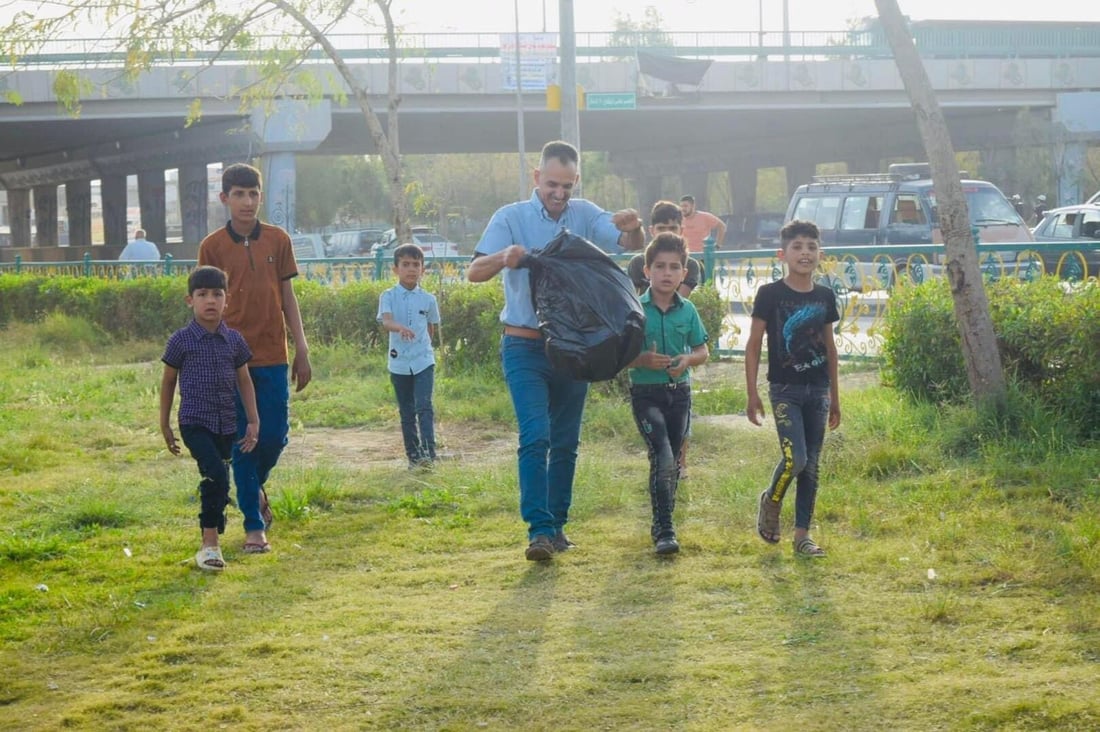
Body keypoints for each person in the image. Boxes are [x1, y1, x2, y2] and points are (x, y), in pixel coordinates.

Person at [467, 139, 645, 561]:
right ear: (537, 177)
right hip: (523, 346)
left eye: (567, 186)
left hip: (574, 350)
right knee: (536, 436)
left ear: (576, 181)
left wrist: (633, 226)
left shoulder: (585, 214)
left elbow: (628, 243)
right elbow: (473, 272)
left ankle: (558, 526)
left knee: (565, 441)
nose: (559, 193)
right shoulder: (509, 218)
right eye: (552, 184)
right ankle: (539, 531)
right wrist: (505, 257)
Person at [197, 162, 312, 555]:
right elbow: (206, 304)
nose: (247, 202)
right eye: (239, 195)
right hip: (229, 360)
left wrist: (302, 348)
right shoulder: (212, 247)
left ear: (261, 197)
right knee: (244, 439)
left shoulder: (278, 240)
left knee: (274, 436)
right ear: (224, 198)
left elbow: (288, 298)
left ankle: (253, 488)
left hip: (273, 355)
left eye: (253, 194)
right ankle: (253, 526)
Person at [745, 219, 841, 558]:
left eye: (811, 247)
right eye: (797, 247)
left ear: (820, 254)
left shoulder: (825, 296)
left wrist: (835, 397)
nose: (805, 253)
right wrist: (752, 392)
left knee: (811, 465)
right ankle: (771, 500)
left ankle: (802, 536)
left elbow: (830, 348)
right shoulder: (770, 295)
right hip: (785, 389)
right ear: (782, 254)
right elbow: (753, 344)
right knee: (795, 459)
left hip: (818, 390)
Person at [159, 265, 260, 572]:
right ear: (190, 300)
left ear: (227, 300)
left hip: (226, 424)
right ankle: (209, 544)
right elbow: (168, 382)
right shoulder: (181, 341)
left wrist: (253, 421)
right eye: (202, 294)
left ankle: (216, 517)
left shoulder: (234, 340)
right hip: (194, 422)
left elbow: (244, 381)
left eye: (217, 294)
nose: (210, 301)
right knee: (215, 474)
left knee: (220, 478)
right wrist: (164, 423)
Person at [626, 232, 709, 555]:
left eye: (674, 267)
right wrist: (642, 360)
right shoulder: (634, 309)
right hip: (646, 395)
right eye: (659, 266)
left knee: (671, 461)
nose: (667, 273)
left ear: (683, 273)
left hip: (680, 394)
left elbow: (702, 350)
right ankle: (665, 529)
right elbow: (616, 356)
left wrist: (687, 360)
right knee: (661, 455)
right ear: (647, 271)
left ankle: (663, 520)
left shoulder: (688, 310)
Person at [626, 200, 703, 480]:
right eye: (661, 228)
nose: (666, 232)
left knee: (679, 429)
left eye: (672, 227)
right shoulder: (637, 265)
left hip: (678, 366)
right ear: (651, 230)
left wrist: (687, 358)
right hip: (645, 376)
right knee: (659, 443)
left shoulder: (689, 271)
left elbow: (680, 299)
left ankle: (678, 466)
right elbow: (633, 304)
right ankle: (665, 468)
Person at [377, 243, 440, 469]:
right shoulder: (388, 296)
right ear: (396, 269)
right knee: (407, 411)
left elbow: (431, 327)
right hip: (399, 362)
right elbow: (386, 322)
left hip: (424, 360)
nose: (411, 269)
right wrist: (400, 328)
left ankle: (429, 454)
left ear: (423, 269)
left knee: (424, 406)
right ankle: (413, 456)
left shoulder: (429, 299)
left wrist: (424, 347)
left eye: (416, 264)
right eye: (405, 264)